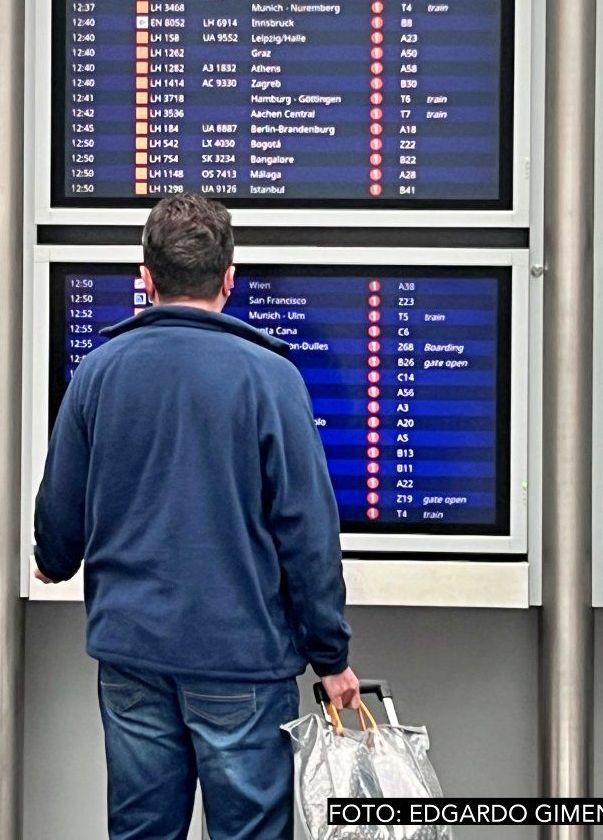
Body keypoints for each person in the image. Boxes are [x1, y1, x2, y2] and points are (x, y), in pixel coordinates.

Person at [34, 194, 357, 840]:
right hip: (242, 658)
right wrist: (330, 654)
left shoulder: (98, 372)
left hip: (132, 656)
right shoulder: (272, 377)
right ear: (229, 277)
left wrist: (55, 557)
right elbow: (308, 531)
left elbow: (58, 515)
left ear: (146, 277)